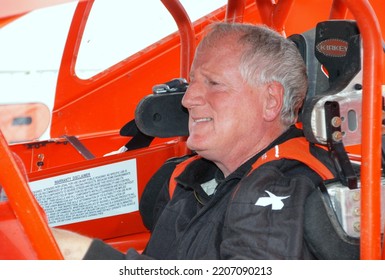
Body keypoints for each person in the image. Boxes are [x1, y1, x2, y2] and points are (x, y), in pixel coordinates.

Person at [52, 22, 337, 259]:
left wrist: (87, 256)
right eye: (192, 83)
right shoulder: (185, 177)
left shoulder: (283, 191)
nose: (188, 99)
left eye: (213, 84)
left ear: (270, 101)